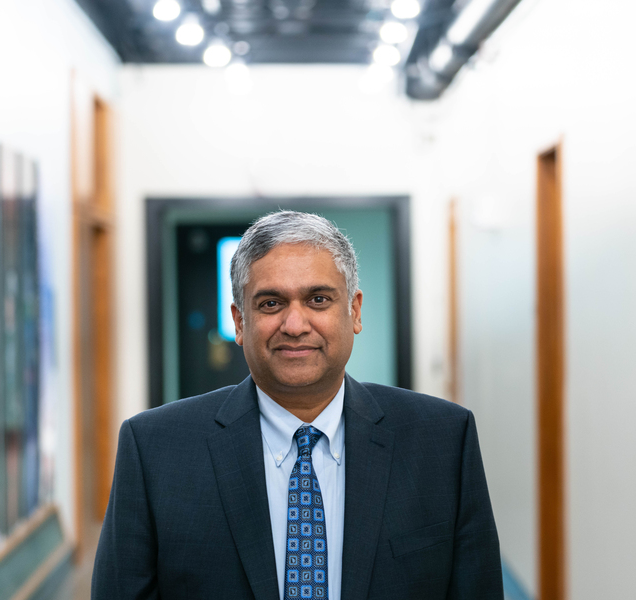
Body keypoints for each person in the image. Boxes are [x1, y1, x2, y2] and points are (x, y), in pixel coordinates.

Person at [92, 210, 502, 599]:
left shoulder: (443, 440)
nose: (294, 324)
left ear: (355, 311)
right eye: (271, 303)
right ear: (239, 322)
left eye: (318, 300)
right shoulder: (154, 449)